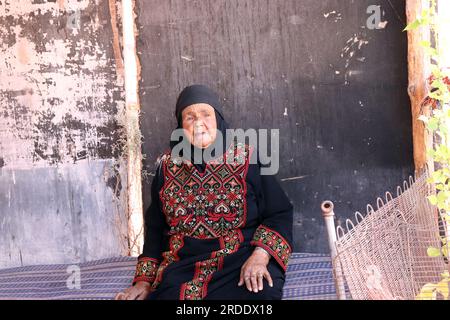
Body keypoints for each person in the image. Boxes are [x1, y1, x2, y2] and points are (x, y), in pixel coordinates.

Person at [115, 84, 293, 300]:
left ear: (217, 119)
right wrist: (143, 282)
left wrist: (260, 255)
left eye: (205, 115)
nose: (199, 123)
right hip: (183, 268)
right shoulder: (166, 167)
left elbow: (279, 213)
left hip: (240, 261)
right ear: (181, 126)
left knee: (259, 294)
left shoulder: (248, 159)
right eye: (189, 117)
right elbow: (155, 230)